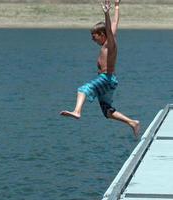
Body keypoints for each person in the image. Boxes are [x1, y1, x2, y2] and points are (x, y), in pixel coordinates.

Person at [60, 0, 140, 138]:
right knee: (107, 111)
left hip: (106, 78)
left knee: (83, 89)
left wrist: (106, 13)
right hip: (110, 80)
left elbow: (110, 28)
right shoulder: (108, 44)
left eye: (94, 36)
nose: (93, 40)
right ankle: (132, 122)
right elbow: (115, 24)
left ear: (102, 35)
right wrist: (116, 6)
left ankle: (77, 111)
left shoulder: (110, 44)